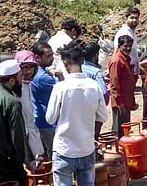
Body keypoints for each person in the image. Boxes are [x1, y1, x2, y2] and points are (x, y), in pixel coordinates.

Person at [46, 41, 108, 186]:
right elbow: (104, 116)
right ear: (82, 61)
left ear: (65, 62)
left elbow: (50, 119)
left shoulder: (60, 88)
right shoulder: (94, 86)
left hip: (64, 150)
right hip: (86, 148)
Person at [0, 60, 30, 185]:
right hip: (7, 162)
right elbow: (17, 137)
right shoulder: (12, 102)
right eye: (20, 76)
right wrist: (25, 161)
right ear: (12, 81)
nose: (22, 80)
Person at [14, 51, 44, 162]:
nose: (29, 71)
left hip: (32, 131)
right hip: (23, 136)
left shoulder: (28, 84)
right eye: (25, 67)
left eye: (32, 67)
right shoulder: (16, 88)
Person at [108, 35, 137, 138]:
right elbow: (114, 85)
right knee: (119, 131)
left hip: (126, 101)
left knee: (125, 129)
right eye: (125, 46)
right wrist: (120, 105)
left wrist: (132, 102)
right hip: (120, 102)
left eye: (130, 46)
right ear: (119, 46)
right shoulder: (117, 61)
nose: (128, 49)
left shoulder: (126, 59)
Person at [31, 42, 56, 157]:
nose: (52, 58)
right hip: (47, 122)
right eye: (48, 56)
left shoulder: (33, 72)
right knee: (54, 153)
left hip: (38, 118)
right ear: (37, 57)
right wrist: (59, 76)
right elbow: (61, 92)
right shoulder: (44, 77)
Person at [81, 42, 107, 139]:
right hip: (94, 113)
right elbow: (104, 93)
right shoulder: (96, 72)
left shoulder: (79, 68)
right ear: (96, 55)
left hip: (80, 112)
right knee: (93, 139)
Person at [114, 7, 141, 78]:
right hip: (125, 72)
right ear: (126, 18)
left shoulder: (131, 32)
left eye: (136, 18)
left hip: (132, 72)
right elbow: (117, 51)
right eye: (132, 18)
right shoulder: (124, 33)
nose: (134, 20)